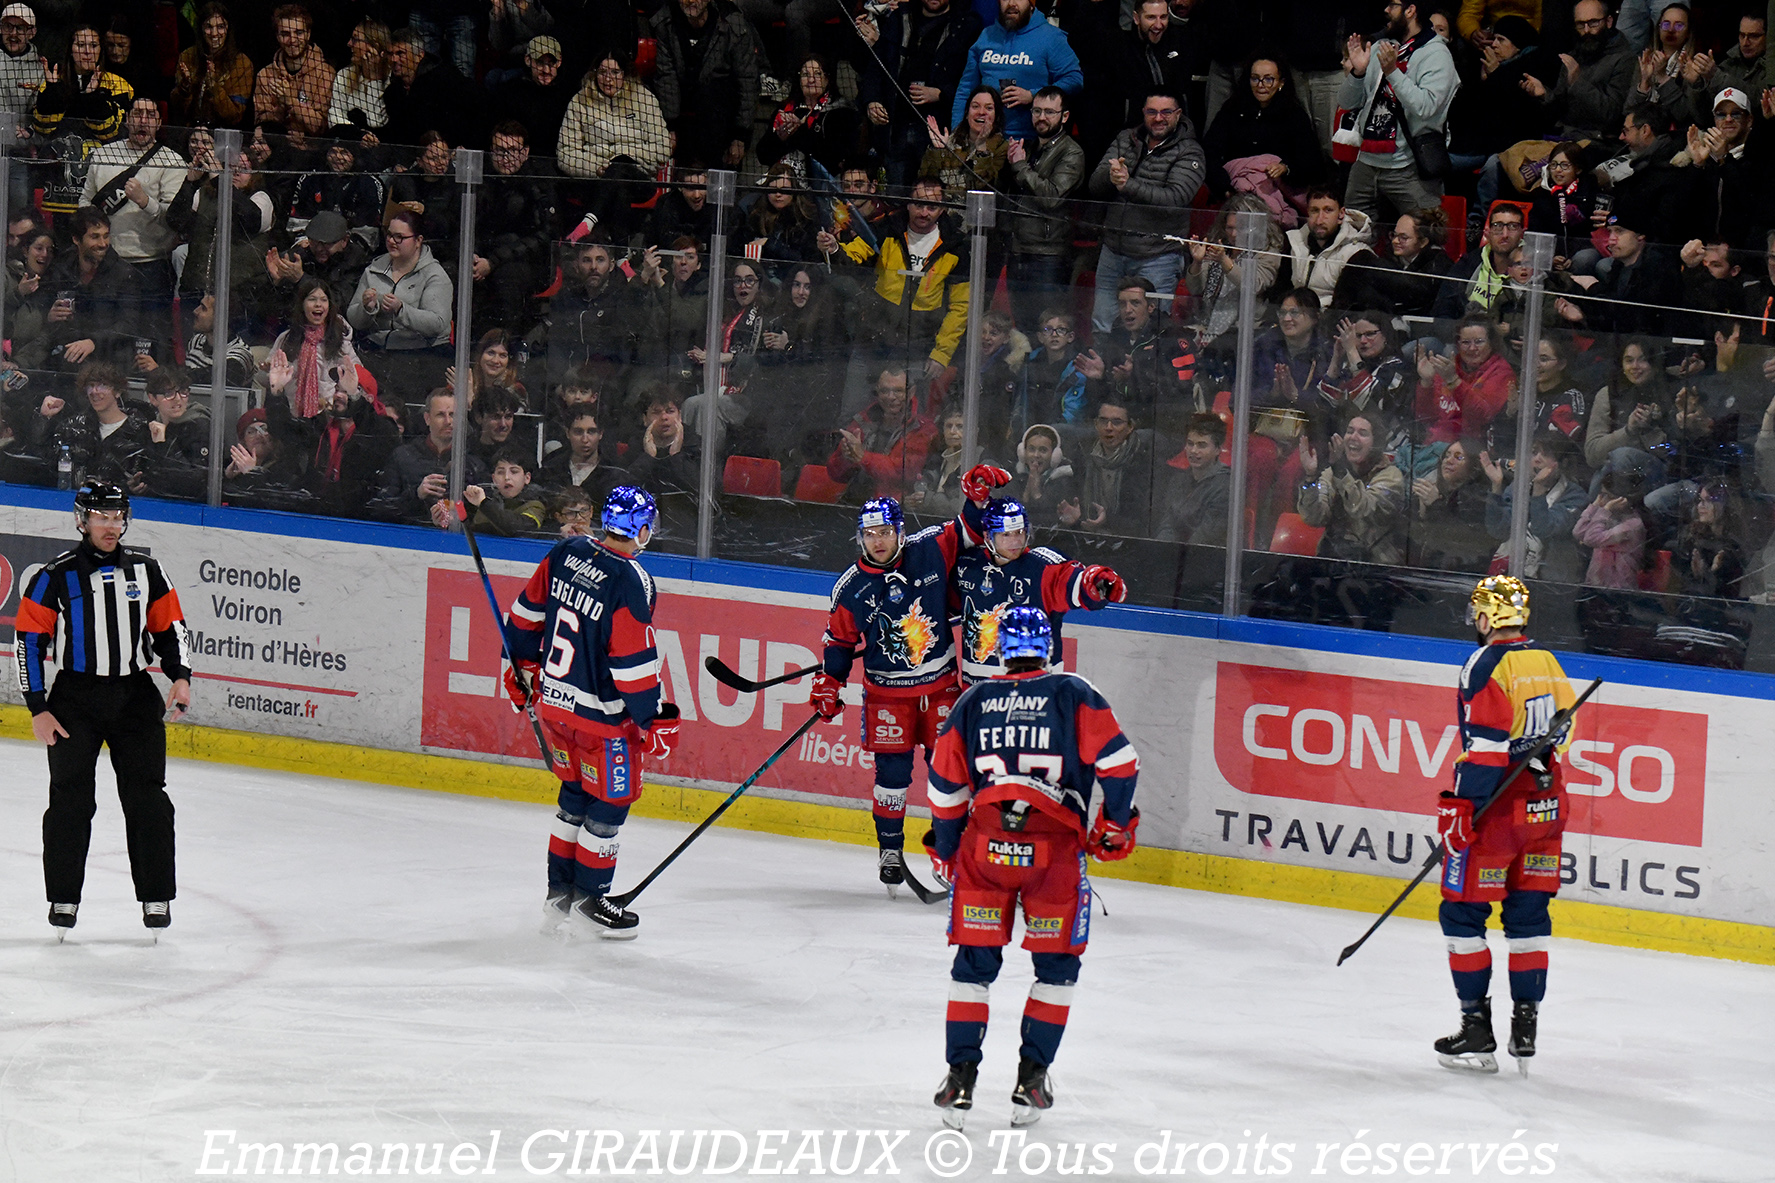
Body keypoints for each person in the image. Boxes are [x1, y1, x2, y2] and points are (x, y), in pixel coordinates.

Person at [926, 606, 1139, 1127]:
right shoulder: (1074, 692)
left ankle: (960, 1079)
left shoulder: (974, 700)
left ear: (998, 649)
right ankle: (1031, 1079)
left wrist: (948, 847)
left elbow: (944, 788)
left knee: (973, 968)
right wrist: (1114, 822)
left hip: (987, 849)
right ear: (1048, 647)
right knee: (1057, 968)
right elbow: (1119, 764)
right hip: (1053, 854)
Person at [811, 464, 1011, 888]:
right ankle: (889, 850)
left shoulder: (929, 548)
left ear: (900, 531)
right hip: (888, 698)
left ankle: (952, 852)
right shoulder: (850, 588)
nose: (877, 540)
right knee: (892, 777)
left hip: (940, 690)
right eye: (869, 534)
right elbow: (839, 642)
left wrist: (977, 500)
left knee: (950, 773)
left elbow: (970, 530)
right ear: (860, 537)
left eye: (885, 531)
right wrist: (829, 682)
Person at [502, 486, 682, 938]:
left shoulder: (566, 550)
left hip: (555, 706)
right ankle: (590, 900)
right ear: (641, 529)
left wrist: (519, 668)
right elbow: (632, 662)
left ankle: (558, 897)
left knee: (573, 799)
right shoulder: (632, 578)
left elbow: (524, 617)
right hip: (602, 719)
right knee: (610, 804)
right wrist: (652, 717)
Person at [14, 480, 192, 935]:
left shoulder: (148, 570)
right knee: (70, 803)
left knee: (148, 800)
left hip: (134, 697)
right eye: (101, 517)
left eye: (117, 517)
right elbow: (29, 642)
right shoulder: (54, 575)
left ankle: (156, 897)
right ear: (82, 519)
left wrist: (181, 677)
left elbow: (170, 627)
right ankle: (64, 899)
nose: (110, 526)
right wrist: (37, 707)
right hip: (74, 701)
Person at [1432, 575, 1576, 1074]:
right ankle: (1525, 1027)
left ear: (1487, 617)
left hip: (1498, 811)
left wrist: (1463, 809)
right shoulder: (1547, 660)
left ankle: (1476, 1029)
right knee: (1529, 919)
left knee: (1463, 916)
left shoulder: (1485, 662)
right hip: (1546, 806)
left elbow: (1488, 751)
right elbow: (1566, 731)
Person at [951, 497, 1126, 684]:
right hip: (979, 691)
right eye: (1006, 535)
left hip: (1036, 694)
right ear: (988, 536)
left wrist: (1101, 584)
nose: (1015, 541)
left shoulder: (1043, 568)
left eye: (1019, 532)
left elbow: (1079, 585)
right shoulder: (968, 565)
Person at [1087, 84, 1204, 333]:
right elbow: (1094, 186)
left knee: (1153, 332)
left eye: (1166, 112)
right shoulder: (1125, 139)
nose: (1158, 118)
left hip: (1157, 256)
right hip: (1113, 250)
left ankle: (1141, 374)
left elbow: (1176, 199)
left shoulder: (1190, 151)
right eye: (1152, 111)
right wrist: (1112, 176)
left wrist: (1128, 184)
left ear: (1178, 113)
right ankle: (1104, 372)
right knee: (1102, 326)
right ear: (1143, 112)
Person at [1336, 0, 1458, 222]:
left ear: (1411, 10)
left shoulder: (1436, 54)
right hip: (1366, 162)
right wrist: (1358, 73)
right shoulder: (1382, 46)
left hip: (1408, 165)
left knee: (1424, 234)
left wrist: (1392, 72)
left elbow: (1426, 108)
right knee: (1352, 234)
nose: (1386, 10)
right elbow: (1346, 102)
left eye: (1393, 5)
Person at [855, 0, 983, 187]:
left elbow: (973, 79)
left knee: (932, 198)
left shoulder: (967, 25)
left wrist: (940, 94)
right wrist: (872, 100)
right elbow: (876, 66)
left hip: (938, 132)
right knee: (896, 197)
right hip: (895, 126)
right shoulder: (900, 18)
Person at [347, 211, 454, 401]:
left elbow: (437, 323)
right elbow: (354, 318)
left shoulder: (435, 275)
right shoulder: (374, 269)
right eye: (389, 235)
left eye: (400, 237)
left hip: (420, 355)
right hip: (378, 351)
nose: (392, 241)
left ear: (418, 240)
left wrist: (401, 310)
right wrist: (367, 308)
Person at [1004, 87, 1083, 332]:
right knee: (1024, 328)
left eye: (1050, 112)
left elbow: (1051, 196)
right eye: (1037, 111)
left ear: (1065, 116)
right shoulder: (1030, 146)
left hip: (1048, 255)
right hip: (1020, 249)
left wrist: (1019, 166)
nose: (1042, 117)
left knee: (1048, 328)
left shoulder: (1071, 151)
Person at [649, 0, 762, 168]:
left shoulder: (734, 25)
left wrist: (741, 136)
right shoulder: (665, 22)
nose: (690, 1)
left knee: (713, 92)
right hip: (683, 114)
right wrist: (669, 126)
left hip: (721, 117)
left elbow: (747, 82)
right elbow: (667, 78)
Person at [950, 0, 1083, 142]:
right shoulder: (986, 36)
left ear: (1031, 4)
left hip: (1031, 142)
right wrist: (956, 133)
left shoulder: (1052, 37)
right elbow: (965, 89)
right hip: (985, 140)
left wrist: (1033, 95)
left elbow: (1074, 80)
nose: (1011, 3)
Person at [1296, 408, 1407, 565]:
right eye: (1349, 431)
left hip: (1375, 568)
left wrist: (1341, 473)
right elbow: (1315, 518)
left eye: (1362, 433)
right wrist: (1310, 479)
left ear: (1376, 443)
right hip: (1332, 561)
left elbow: (1364, 509)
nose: (1353, 437)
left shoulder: (1391, 477)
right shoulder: (1332, 473)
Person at [169, 2, 255, 131]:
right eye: (209, 27)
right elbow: (176, 108)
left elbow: (234, 116)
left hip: (223, 134)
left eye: (220, 27)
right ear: (201, 29)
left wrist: (214, 87)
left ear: (228, 29)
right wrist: (185, 87)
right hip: (190, 131)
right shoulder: (187, 56)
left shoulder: (242, 63)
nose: (214, 33)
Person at [253, 4, 334, 136]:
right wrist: (280, 107)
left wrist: (291, 101)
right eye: (285, 34)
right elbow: (262, 126)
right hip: (275, 147)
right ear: (277, 37)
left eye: (299, 33)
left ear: (308, 34)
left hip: (312, 150)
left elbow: (321, 127)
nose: (292, 40)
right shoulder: (265, 75)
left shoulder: (326, 74)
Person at [1287, 187, 1374, 306]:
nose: (1319, 220)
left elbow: (1350, 306)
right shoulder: (1296, 243)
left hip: (1330, 320)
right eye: (1314, 211)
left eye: (1328, 210)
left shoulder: (1356, 253)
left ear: (1341, 214)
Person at [328, 18, 391, 134]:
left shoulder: (391, 80)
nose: (349, 44)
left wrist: (374, 79)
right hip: (349, 141)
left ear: (374, 46)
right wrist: (358, 134)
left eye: (355, 40)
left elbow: (376, 123)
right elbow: (334, 117)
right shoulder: (344, 75)